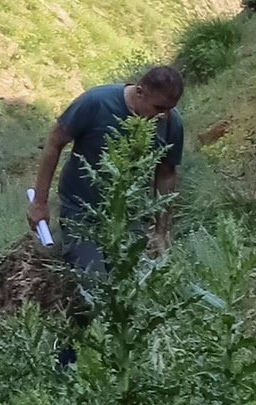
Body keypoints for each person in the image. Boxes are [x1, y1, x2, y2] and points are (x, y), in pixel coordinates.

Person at [26, 66, 185, 272]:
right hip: (81, 210)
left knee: (133, 286)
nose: (164, 116)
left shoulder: (172, 123)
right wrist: (40, 202)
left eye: (170, 109)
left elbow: (166, 174)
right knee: (94, 282)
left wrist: (161, 232)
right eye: (159, 108)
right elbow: (55, 142)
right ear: (139, 92)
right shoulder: (95, 102)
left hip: (129, 217)